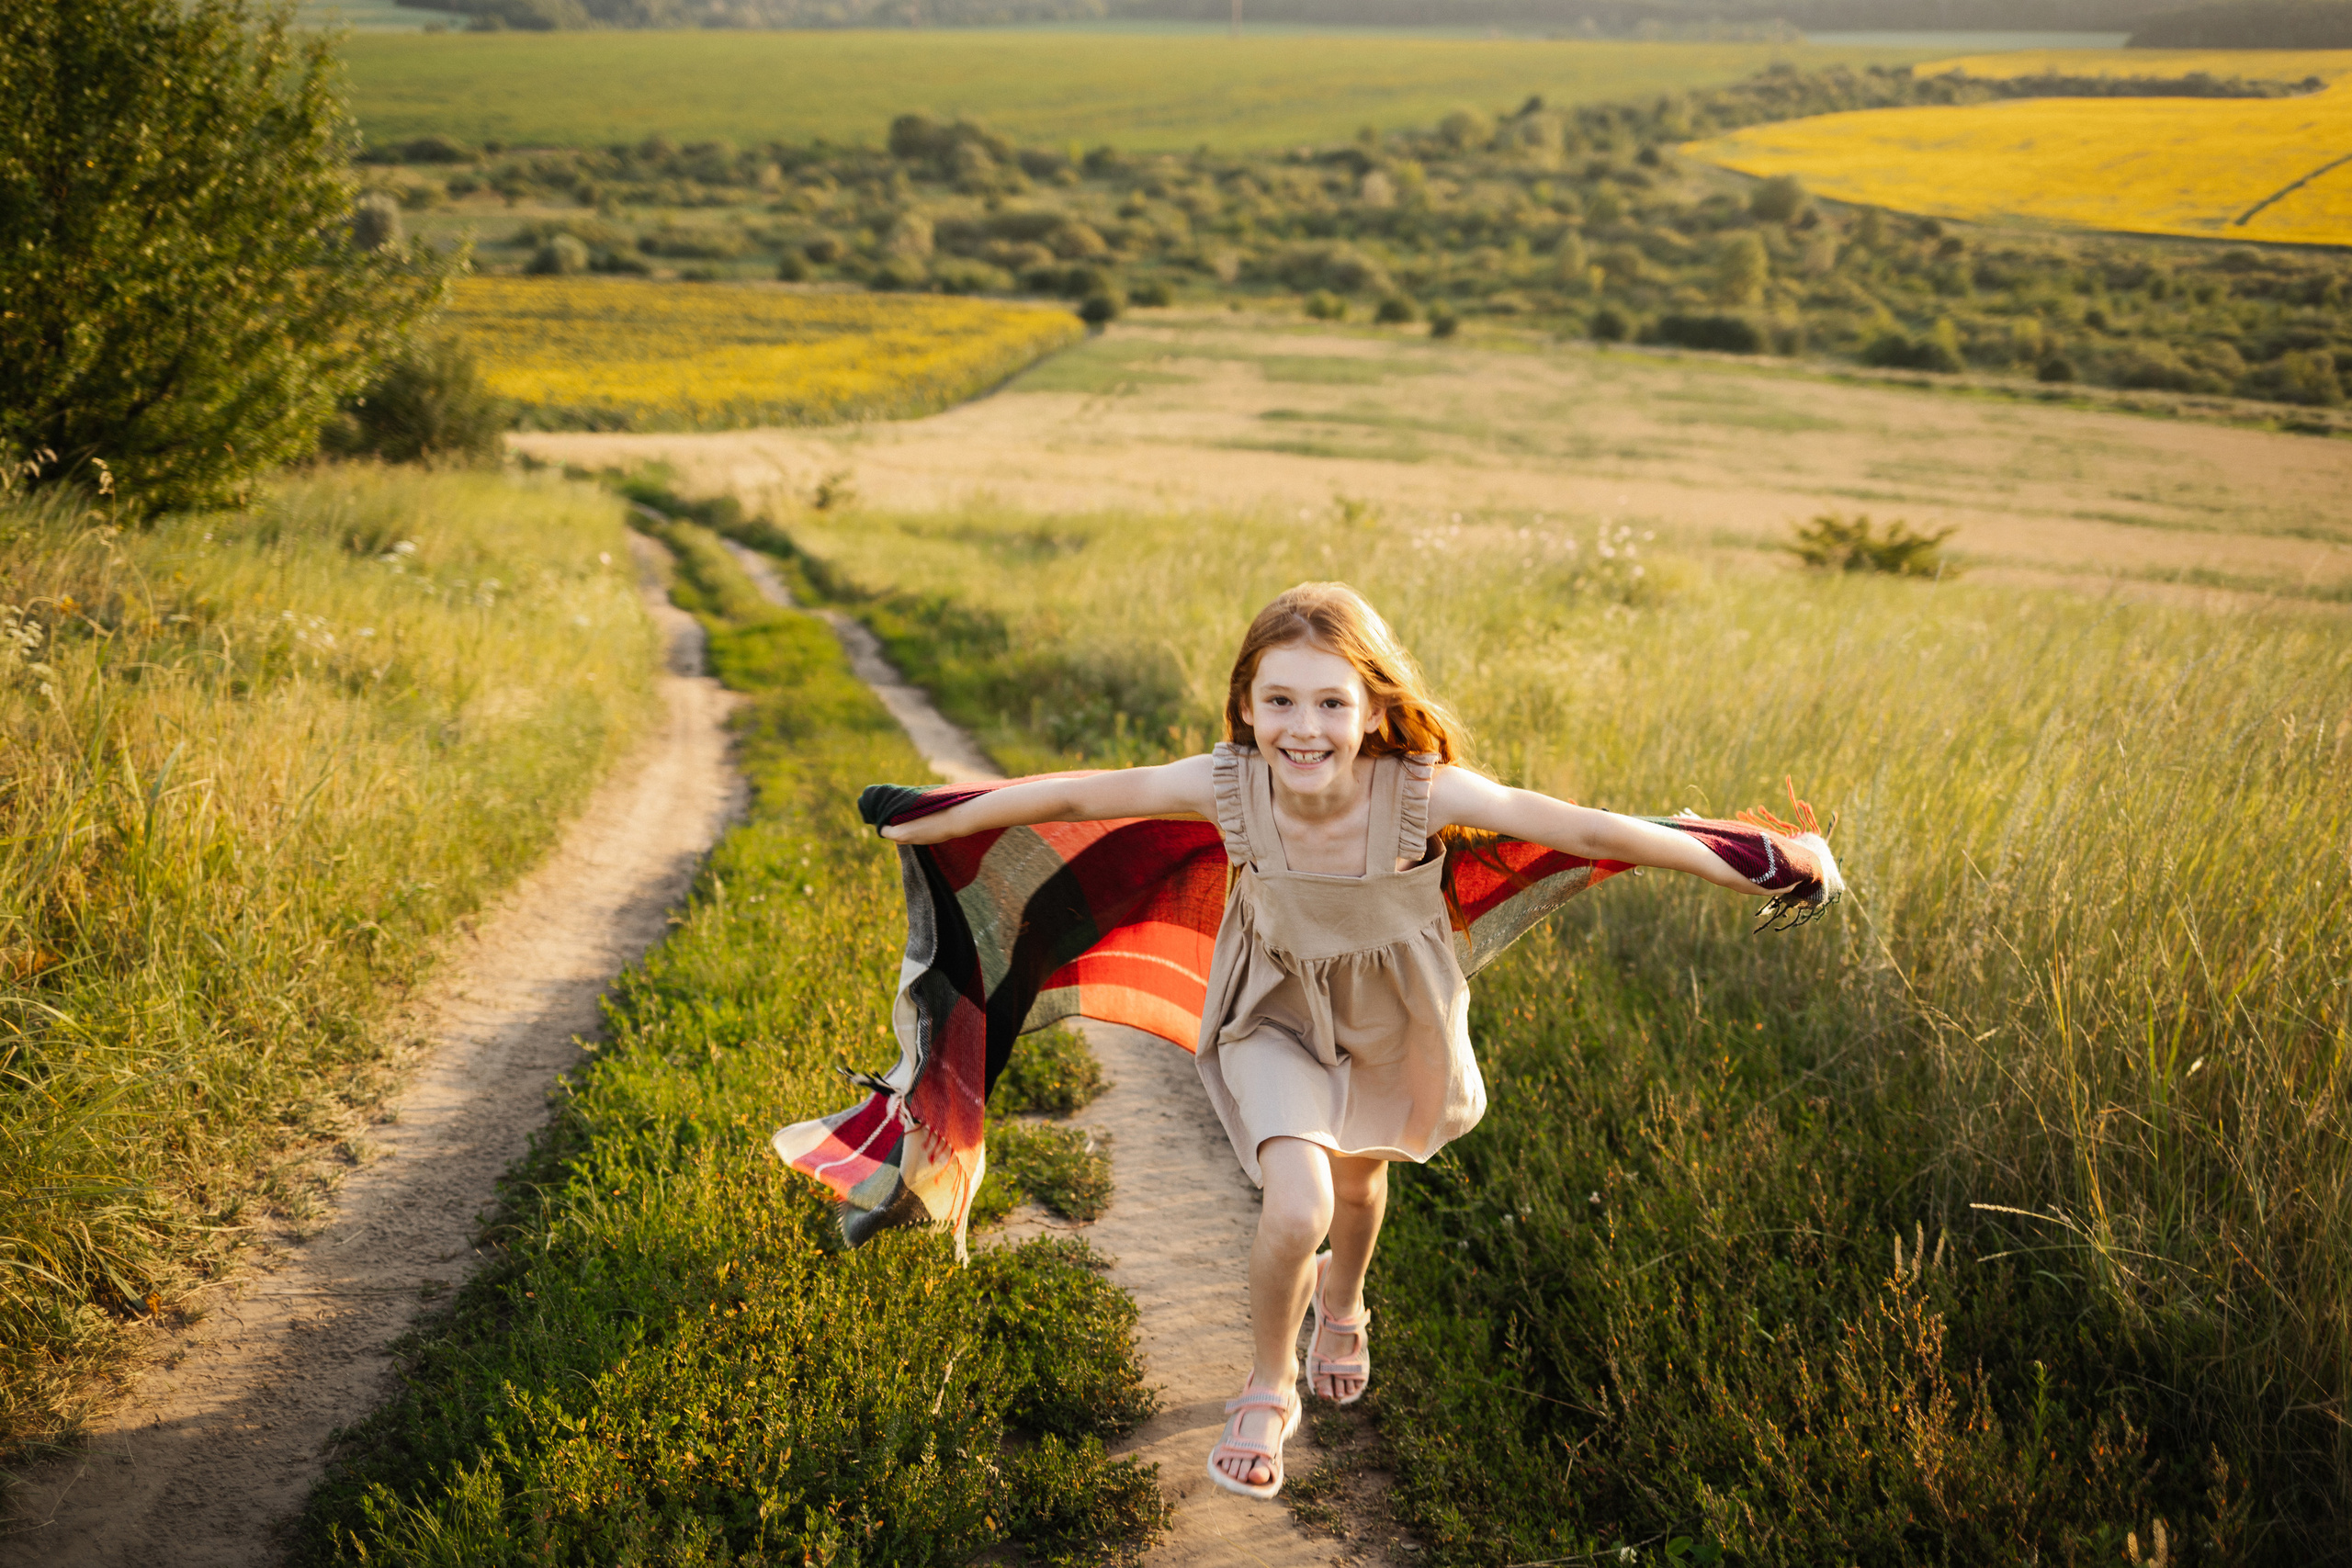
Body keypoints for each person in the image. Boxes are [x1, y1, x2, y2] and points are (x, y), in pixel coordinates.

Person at [874, 581, 1838, 1501]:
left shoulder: (1423, 793)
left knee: (1361, 1184)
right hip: (1270, 1016)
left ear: (1374, 710)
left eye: (1330, 702)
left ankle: (1343, 1310)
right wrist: (930, 814)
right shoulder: (1227, 784)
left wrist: (1748, 862)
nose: (1303, 727)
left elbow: (1584, 828)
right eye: (1279, 700)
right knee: (1296, 1201)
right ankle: (1267, 1388)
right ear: (1245, 708)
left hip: (1394, 1020)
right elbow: (1082, 799)